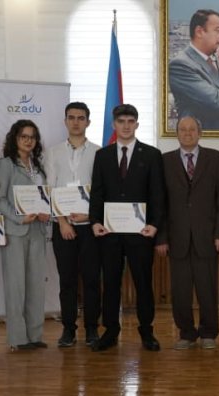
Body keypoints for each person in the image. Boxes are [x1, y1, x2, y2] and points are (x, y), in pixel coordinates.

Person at [89, 104, 165, 352]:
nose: (125, 125)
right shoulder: (102, 155)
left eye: (130, 121)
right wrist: (95, 221)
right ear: (113, 125)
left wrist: (154, 225)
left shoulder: (151, 155)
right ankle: (110, 330)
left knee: (143, 283)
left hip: (141, 233)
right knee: (110, 282)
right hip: (109, 233)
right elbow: (97, 193)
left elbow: (157, 195)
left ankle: (147, 331)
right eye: (121, 121)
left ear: (137, 125)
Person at [158, 116, 219, 350]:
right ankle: (186, 333)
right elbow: (160, 203)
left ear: (200, 132)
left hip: (207, 237)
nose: (187, 133)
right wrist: (161, 238)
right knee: (180, 290)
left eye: (192, 129)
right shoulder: (165, 161)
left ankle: (209, 332)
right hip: (176, 237)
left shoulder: (216, 159)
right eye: (182, 129)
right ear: (176, 133)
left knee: (207, 287)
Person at [44, 102, 101, 348]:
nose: (76, 122)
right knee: (66, 280)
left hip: (90, 227)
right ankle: (68, 329)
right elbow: (50, 189)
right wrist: (63, 222)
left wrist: (88, 215)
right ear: (65, 121)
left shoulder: (100, 153)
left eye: (81, 118)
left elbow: (100, 191)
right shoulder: (52, 153)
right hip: (63, 227)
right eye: (71, 117)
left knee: (91, 280)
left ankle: (91, 329)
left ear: (88, 122)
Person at [0, 120, 50, 351]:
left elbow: (45, 197)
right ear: (15, 139)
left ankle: (35, 335)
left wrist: (47, 213)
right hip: (16, 232)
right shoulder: (6, 164)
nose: (28, 140)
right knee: (16, 285)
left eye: (32, 137)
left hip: (38, 231)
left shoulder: (39, 166)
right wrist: (19, 217)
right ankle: (18, 339)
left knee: (36, 284)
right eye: (23, 136)